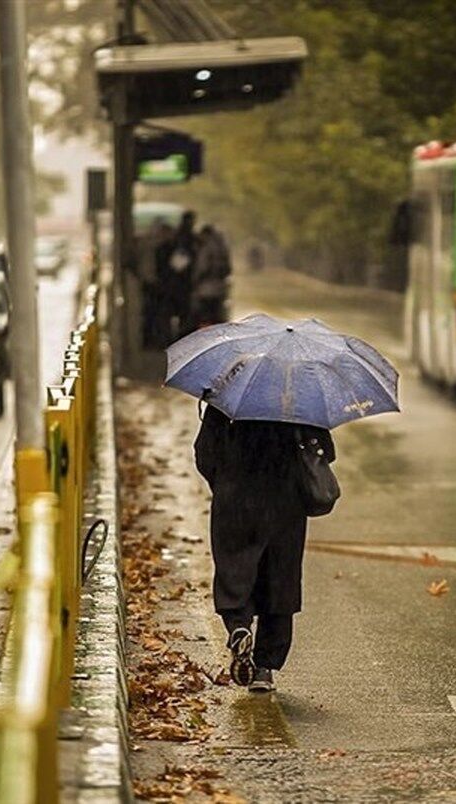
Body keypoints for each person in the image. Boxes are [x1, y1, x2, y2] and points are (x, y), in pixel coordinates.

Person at [194, 403, 335, 692]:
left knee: (235, 570)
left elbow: (204, 452)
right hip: (286, 502)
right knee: (280, 580)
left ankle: (238, 627)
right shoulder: (301, 400)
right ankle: (264, 669)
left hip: (235, 497)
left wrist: (223, 483)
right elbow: (325, 452)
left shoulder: (227, 400)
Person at [160, 212, 197, 340]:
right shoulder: (186, 238)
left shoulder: (179, 237)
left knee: (175, 311)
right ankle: (179, 336)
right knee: (181, 311)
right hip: (181, 282)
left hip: (176, 282)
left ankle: (175, 336)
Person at [191, 225, 231, 327]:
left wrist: (194, 281)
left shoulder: (206, 249)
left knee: (205, 316)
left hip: (206, 289)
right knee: (216, 315)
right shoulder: (222, 248)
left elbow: (202, 267)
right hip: (220, 288)